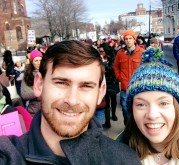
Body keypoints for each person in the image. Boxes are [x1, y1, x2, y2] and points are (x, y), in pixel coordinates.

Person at [0, 40, 142, 165]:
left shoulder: (124, 159)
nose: (72, 100)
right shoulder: (8, 155)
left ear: (100, 93)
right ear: (38, 85)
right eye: (61, 83)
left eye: (86, 86)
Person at [114, 30, 144, 125]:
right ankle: (128, 130)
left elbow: (146, 67)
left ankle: (137, 131)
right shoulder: (120, 53)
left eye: (130, 38)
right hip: (125, 87)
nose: (128, 40)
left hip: (138, 87)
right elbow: (115, 67)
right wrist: (120, 78)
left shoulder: (142, 52)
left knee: (138, 110)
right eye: (126, 39)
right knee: (125, 109)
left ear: (134, 39)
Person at [99, 43, 120, 128]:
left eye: (102, 51)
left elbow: (111, 68)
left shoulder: (113, 58)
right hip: (104, 82)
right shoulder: (100, 58)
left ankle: (114, 114)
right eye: (99, 51)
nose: (100, 53)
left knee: (113, 100)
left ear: (106, 51)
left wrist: (104, 62)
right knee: (106, 103)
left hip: (112, 81)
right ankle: (107, 122)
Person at [21, 49, 42, 116]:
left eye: (41, 60)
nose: (39, 63)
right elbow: (24, 95)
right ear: (32, 62)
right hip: (34, 112)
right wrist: (40, 92)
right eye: (36, 60)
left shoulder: (48, 73)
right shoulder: (28, 75)